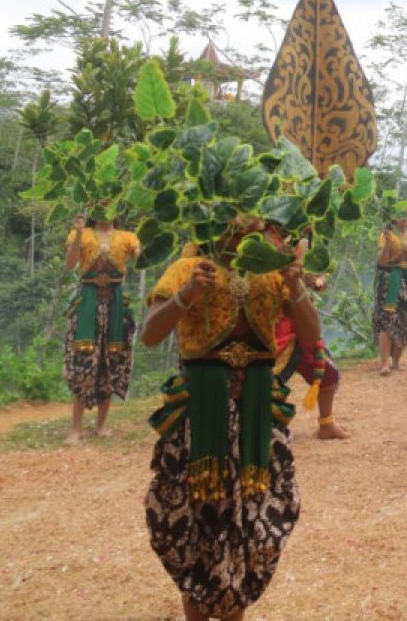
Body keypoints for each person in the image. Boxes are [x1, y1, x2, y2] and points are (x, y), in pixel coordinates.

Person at [139, 218, 317, 620]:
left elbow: (311, 332)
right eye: (231, 212)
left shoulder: (272, 271)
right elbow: (150, 334)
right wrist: (187, 294)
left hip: (257, 415)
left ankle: (235, 606)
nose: (242, 222)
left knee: (260, 514)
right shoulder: (189, 266)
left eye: (252, 213)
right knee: (195, 517)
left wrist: (295, 285)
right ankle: (199, 604)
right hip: (199, 416)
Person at [62, 212, 140, 443]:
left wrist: (143, 245)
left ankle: (102, 425)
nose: (106, 207)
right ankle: (76, 428)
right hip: (88, 302)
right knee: (83, 361)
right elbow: (70, 265)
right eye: (100, 202)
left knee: (111, 361)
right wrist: (76, 234)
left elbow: (140, 257)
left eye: (110, 201)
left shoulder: (127, 236)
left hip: (116, 304)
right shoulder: (81, 233)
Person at [274, 271, 348, 440]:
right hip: (272, 330)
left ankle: (327, 424)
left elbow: (319, 281)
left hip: (301, 326)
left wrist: (314, 280)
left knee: (327, 372)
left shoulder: (294, 253)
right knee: (265, 383)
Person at [374, 208, 407, 375]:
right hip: (390, 280)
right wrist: (388, 242)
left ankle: (396, 361)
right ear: (394, 217)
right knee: (387, 321)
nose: (404, 217)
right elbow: (381, 261)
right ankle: (385, 363)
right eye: (400, 214)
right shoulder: (386, 234)